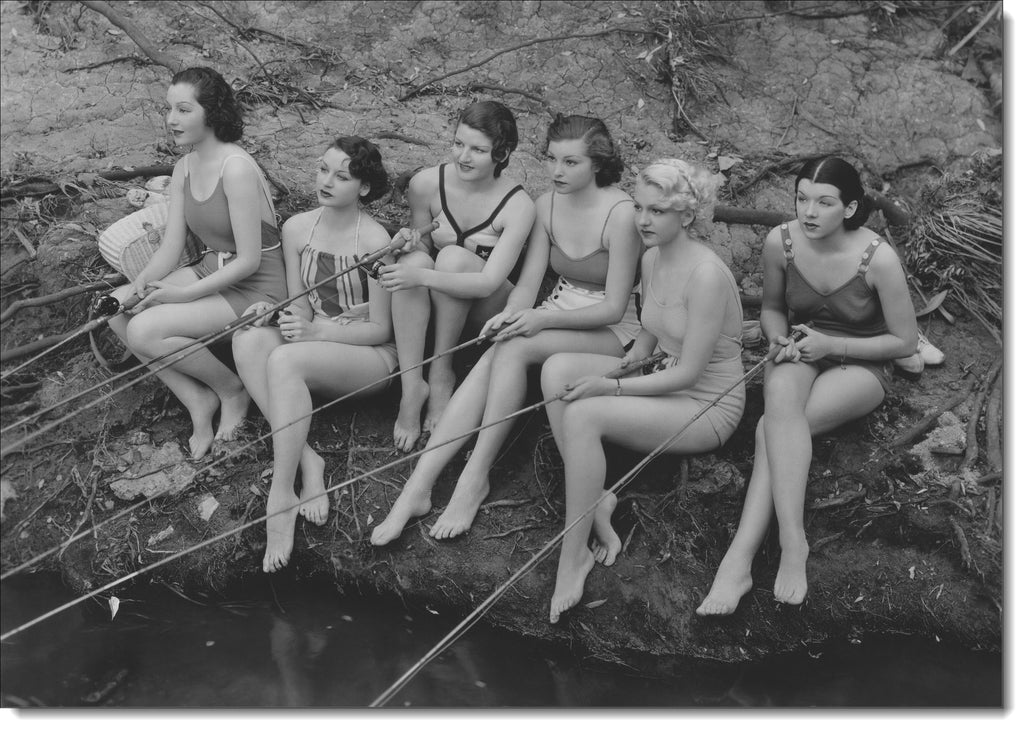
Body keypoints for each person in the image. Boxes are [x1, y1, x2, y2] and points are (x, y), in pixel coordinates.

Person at [370, 114, 643, 546]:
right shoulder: (546, 204)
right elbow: (529, 287)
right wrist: (513, 315)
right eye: (551, 159)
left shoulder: (621, 213)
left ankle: (473, 479)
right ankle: (416, 489)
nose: (556, 171)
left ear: (598, 163)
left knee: (514, 348)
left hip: (614, 329)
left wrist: (540, 320)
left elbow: (613, 307)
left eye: (571, 162)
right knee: (497, 349)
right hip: (557, 310)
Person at [696, 156, 916, 616]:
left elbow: (904, 342)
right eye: (802, 199)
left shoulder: (878, 259)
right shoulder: (781, 242)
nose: (809, 212)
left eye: (824, 202)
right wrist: (778, 337)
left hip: (862, 362)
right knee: (779, 403)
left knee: (770, 429)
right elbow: (773, 308)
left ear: (849, 208)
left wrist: (832, 344)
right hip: (800, 347)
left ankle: (766, 549)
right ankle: (762, 554)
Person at [540, 158, 746, 624]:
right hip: (663, 377)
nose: (643, 220)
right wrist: (621, 370)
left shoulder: (707, 275)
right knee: (556, 371)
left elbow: (689, 373)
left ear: (687, 216)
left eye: (657, 211)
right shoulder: (651, 258)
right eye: (638, 207)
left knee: (585, 414)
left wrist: (610, 387)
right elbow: (646, 343)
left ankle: (573, 556)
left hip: (706, 404)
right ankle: (597, 500)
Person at [231, 136, 395, 573]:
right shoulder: (297, 229)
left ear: (363, 187)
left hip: (368, 354)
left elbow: (382, 328)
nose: (327, 181)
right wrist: (275, 314)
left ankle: (281, 496)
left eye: (342, 176)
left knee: (286, 360)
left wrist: (317, 331)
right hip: (314, 342)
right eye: (323, 169)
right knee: (247, 340)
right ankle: (308, 459)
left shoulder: (376, 240)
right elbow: (301, 305)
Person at [108, 67, 287, 460]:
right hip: (211, 270)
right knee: (118, 309)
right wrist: (141, 283)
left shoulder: (236, 168)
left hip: (256, 284)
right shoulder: (184, 168)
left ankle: (232, 390)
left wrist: (183, 295)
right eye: (169, 108)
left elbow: (249, 260)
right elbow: (172, 246)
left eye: (184, 110)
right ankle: (197, 400)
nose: (171, 119)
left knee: (144, 330)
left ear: (212, 112)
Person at [377, 100, 536, 452]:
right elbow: (423, 249)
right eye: (458, 143)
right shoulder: (425, 184)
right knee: (415, 261)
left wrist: (422, 278)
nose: (463, 156)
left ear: (502, 153)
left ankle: (442, 371)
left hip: (485, 307)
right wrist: (408, 245)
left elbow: (489, 282)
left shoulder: (517, 205)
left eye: (477, 150)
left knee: (450, 259)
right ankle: (411, 386)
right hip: (440, 302)